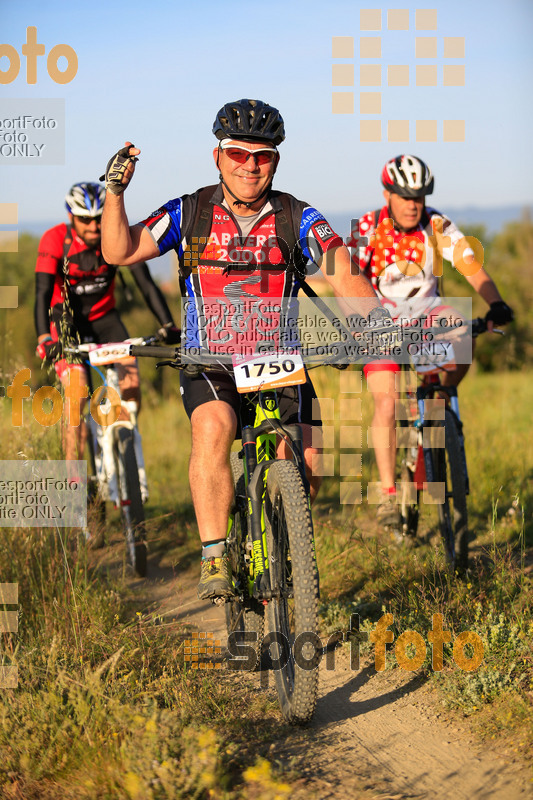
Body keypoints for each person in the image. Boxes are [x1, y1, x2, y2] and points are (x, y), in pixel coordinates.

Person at [100, 98, 385, 600]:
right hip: (210, 359)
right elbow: (120, 251)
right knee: (215, 426)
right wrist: (115, 194)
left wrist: (376, 325)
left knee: (309, 463)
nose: (250, 166)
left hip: (280, 360)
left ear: (276, 160)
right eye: (238, 154)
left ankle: (279, 534)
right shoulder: (189, 212)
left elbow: (341, 266)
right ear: (218, 157)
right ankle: (214, 554)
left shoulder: (297, 215)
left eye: (263, 156)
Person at [348, 154, 514, 530]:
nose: (413, 204)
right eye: (405, 196)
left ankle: (439, 419)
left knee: (460, 332)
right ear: (388, 193)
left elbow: (469, 263)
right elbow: (348, 279)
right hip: (381, 322)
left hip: (427, 316)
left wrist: (495, 302)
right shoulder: (366, 227)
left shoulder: (435, 223)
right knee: (386, 402)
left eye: (420, 196)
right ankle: (388, 493)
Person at [34, 181, 180, 462]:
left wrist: (167, 324)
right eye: (85, 220)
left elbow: (146, 284)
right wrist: (44, 338)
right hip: (66, 323)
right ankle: (73, 480)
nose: (92, 227)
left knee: (131, 384)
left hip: (106, 319)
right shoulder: (54, 240)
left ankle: (125, 448)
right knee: (76, 398)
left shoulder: (114, 238)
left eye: (98, 219)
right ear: (70, 217)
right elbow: (41, 293)